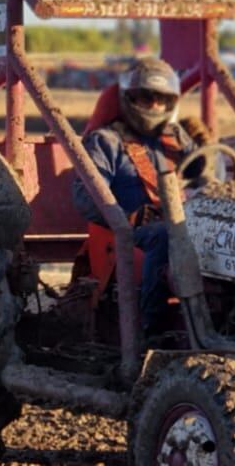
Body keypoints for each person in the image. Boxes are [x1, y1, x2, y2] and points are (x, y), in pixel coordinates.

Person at [70, 58, 211, 340]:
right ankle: (150, 328)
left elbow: (204, 174)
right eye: (147, 98)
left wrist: (199, 152)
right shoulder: (104, 141)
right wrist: (127, 217)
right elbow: (85, 196)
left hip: (177, 222)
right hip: (129, 231)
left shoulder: (173, 137)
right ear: (129, 98)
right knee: (163, 235)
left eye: (162, 99)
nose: (155, 106)